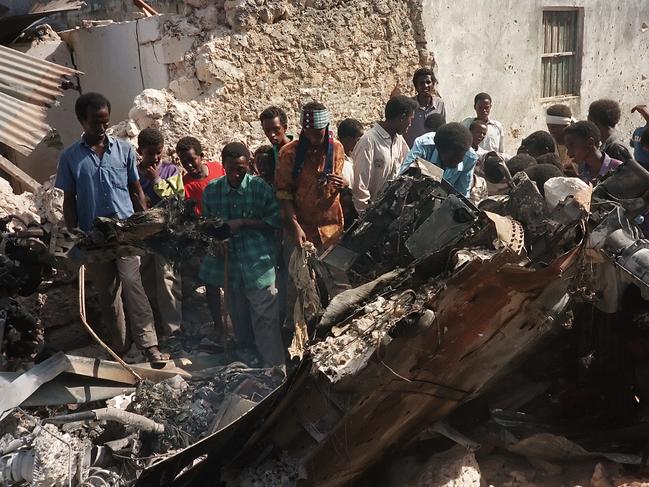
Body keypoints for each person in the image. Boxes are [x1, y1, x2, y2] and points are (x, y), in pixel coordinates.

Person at [55, 93, 167, 363]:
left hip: (125, 231)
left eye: (105, 122)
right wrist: (73, 237)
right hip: (93, 236)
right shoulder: (70, 157)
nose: (102, 128)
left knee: (132, 283)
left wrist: (147, 222)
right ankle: (119, 346)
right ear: (82, 121)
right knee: (107, 293)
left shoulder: (125, 150)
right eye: (96, 123)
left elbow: (135, 189)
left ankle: (149, 344)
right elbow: (69, 201)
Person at [199, 142, 285, 367]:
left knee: (265, 317)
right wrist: (217, 241)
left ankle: (275, 368)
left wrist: (243, 222)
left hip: (258, 263)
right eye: (231, 169)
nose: (237, 174)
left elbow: (276, 221)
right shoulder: (212, 191)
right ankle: (249, 359)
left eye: (242, 169)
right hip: (230, 264)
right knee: (238, 316)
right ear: (223, 165)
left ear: (250, 165)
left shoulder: (260, 189)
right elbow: (207, 226)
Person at [276, 102, 347, 249]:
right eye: (308, 133)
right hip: (301, 232)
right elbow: (284, 194)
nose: (312, 137)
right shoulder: (289, 153)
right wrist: (295, 226)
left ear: (326, 128)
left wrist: (344, 185)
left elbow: (337, 185)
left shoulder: (337, 148)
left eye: (317, 132)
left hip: (331, 231)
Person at [136, 128, 184, 341]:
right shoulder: (134, 173)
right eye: (150, 154)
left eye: (159, 152)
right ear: (140, 151)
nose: (155, 158)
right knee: (145, 282)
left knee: (167, 281)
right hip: (143, 237)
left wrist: (156, 180)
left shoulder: (171, 170)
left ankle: (173, 332)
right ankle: (153, 330)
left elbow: (177, 201)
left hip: (166, 236)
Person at [352, 95, 416, 212]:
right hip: (369, 212)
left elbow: (408, 166)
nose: (410, 124)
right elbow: (359, 184)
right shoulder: (369, 141)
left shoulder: (399, 140)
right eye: (410, 119)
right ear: (402, 117)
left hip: (387, 211)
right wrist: (364, 214)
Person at [400, 122, 478, 198]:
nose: (461, 160)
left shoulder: (470, 158)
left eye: (462, 156)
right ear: (441, 150)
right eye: (455, 157)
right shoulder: (423, 145)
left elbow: (462, 195)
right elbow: (403, 178)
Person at [178, 136, 225, 215]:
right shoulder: (184, 185)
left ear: (201, 156)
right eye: (184, 162)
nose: (188, 165)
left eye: (192, 159)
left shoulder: (217, 168)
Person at [404, 67, 446, 147]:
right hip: (412, 153)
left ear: (433, 84)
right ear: (416, 87)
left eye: (428, 82)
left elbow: (442, 129)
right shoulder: (409, 105)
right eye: (421, 83)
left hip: (432, 152)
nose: (425, 86)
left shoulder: (439, 104)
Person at [337, 118, 364, 228]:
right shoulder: (338, 161)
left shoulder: (355, 157)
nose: (361, 143)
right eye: (358, 140)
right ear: (348, 140)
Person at [588, 99, 633, 164]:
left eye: (589, 121)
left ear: (595, 122)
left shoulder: (616, 148)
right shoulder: (607, 145)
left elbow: (625, 173)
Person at [260, 106, 293, 176]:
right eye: (267, 130)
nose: (272, 134)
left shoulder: (298, 150)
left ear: (285, 128)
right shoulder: (270, 154)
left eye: (276, 129)